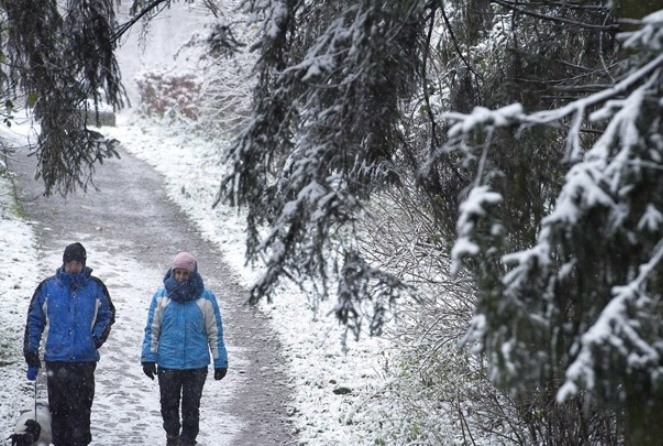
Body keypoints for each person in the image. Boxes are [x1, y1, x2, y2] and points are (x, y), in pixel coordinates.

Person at [23, 242, 115, 446]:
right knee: (59, 412)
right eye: (70, 263)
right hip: (56, 359)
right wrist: (31, 350)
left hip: (84, 361)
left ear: (83, 264)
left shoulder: (95, 287)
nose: (73, 268)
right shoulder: (48, 288)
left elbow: (107, 314)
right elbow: (35, 319)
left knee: (82, 411)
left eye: (77, 263)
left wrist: (95, 339)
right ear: (64, 263)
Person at [141, 251, 228, 446]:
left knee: (191, 407)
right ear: (172, 272)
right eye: (177, 272)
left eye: (185, 273)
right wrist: (148, 357)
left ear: (193, 274)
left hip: (195, 365)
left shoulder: (206, 299)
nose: (180, 277)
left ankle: (188, 440)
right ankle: (172, 437)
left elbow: (215, 331)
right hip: (168, 363)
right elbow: (152, 329)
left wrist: (220, 359)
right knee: (168, 405)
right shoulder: (161, 297)